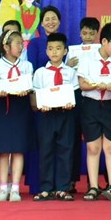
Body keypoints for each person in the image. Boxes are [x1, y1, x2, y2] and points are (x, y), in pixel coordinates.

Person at [77, 22, 111, 200]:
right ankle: (93, 186)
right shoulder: (87, 59)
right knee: (93, 147)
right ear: (104, 41)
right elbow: (82, 84)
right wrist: (97, 85)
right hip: (91, 105)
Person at [0, 29, 34, 202]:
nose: (21, 47)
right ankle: (3, 187)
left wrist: (26, 89)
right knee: (2, 150)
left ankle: (15, 188)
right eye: (17, 44)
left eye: (22, 44)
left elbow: (29, 85)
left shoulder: (27, 66)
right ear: (6, 47)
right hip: (2, 108)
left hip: (20, 108)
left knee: (18, 149)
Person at [33, 32, 76, 201]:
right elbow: (36, 94)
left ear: (65, 51)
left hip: (66, 114)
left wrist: (70, 103)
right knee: (46, 150)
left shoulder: (71, 72)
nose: (54, 52)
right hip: (46, 115)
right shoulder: (40, 73)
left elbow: (74, 93)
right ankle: (46, 188)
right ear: (46, 51)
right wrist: (40, 104)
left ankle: (63, 188)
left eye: (58, 48)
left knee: (66, 150)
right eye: (50, 49)